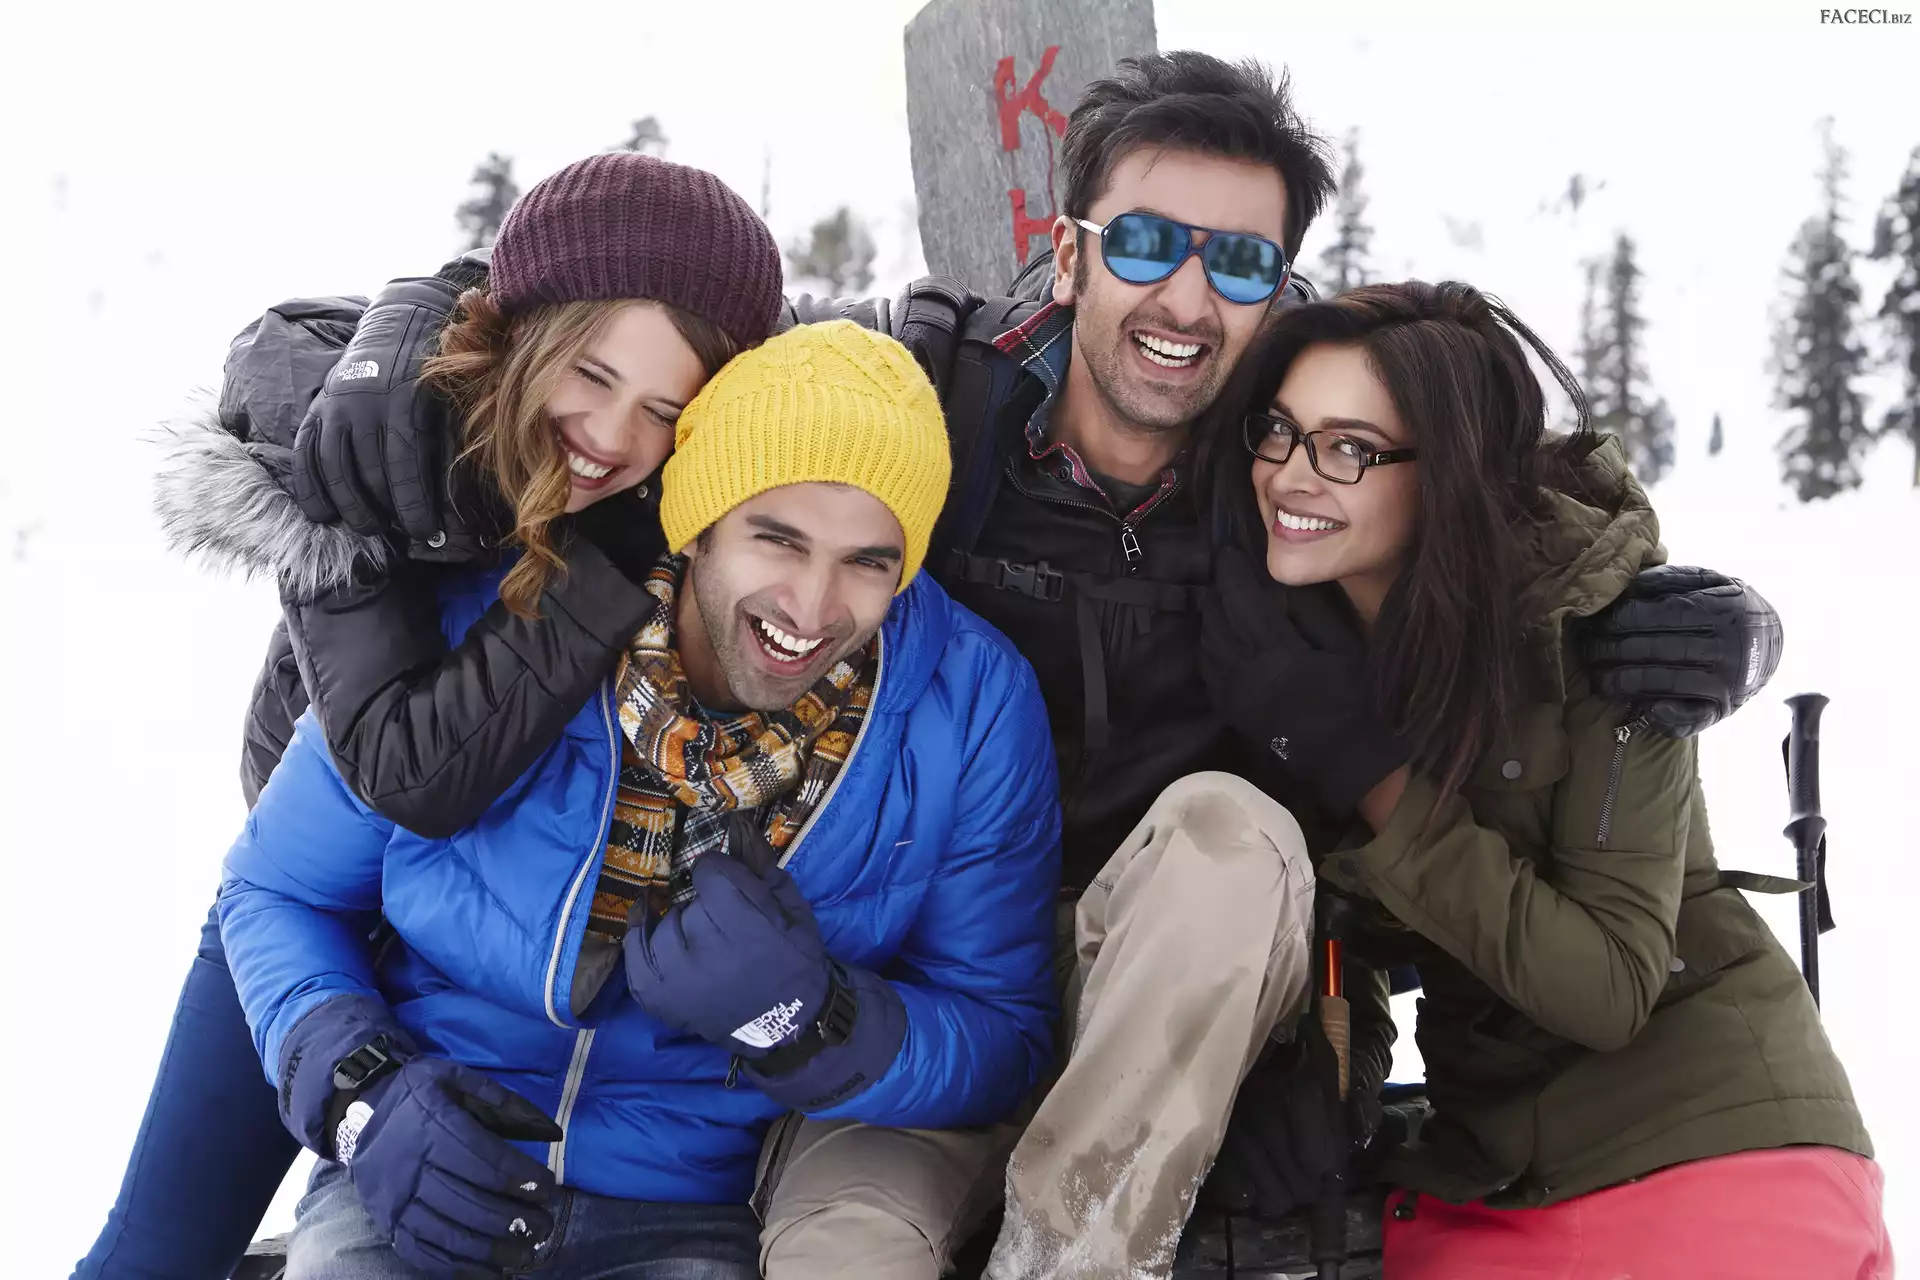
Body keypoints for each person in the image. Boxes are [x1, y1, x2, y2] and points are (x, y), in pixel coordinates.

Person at [156, 52, 1783, 1280]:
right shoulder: (920, 396)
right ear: (1068, 254)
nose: (1187, 295)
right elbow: (604, 360)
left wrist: (1708, 619)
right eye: (1147, 240)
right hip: (893, 986)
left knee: (1227, 836)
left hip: (1142, 991)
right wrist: (377, 344)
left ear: (1279, 292)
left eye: (1238, 263)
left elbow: (1503, 511)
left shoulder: (1299, 476)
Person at [219, 318, 1062, 1279]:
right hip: (426, 1169)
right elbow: (274, 891)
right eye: (776, 539)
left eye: (868, 560)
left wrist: (815, 1021)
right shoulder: (513, 611)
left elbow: (1002, 1031)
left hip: (693, 1210)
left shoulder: (970, 702)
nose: (812, 605)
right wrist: (362, 1095)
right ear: (698, 524)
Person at [80, 151, 786, 1280]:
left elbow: (845, 386)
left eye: (665, 408)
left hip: (464, 938)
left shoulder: (655, 496)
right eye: (592, 374)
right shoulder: (382, 450)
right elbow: (407, 775)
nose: (612, 434)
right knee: (154, 1253)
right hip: (325, 885)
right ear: (528, 336)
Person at [1196, 280, 1891, 1277]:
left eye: (1350, 447)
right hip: (1493, 1172)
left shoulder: (1595, 631)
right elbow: (1345, 933)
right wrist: (1329, 1080)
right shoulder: (1284, 644)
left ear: (1451, 472)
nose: (1292, 475)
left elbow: (1607, 984)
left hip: (1709, 1140)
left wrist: (1373, 774)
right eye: (1280, 431)